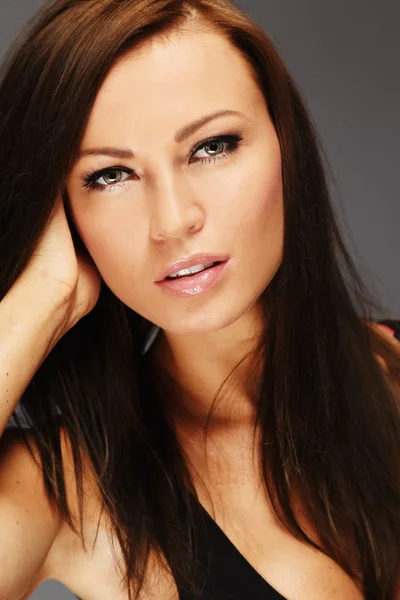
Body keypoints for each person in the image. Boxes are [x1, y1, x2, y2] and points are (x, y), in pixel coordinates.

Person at [0, 0, 399, 599]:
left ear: (286, 146)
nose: (172, 221)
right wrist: (39, 302)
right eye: (109, 176)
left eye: (211, 146)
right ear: (62, 209)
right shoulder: (68, 488)